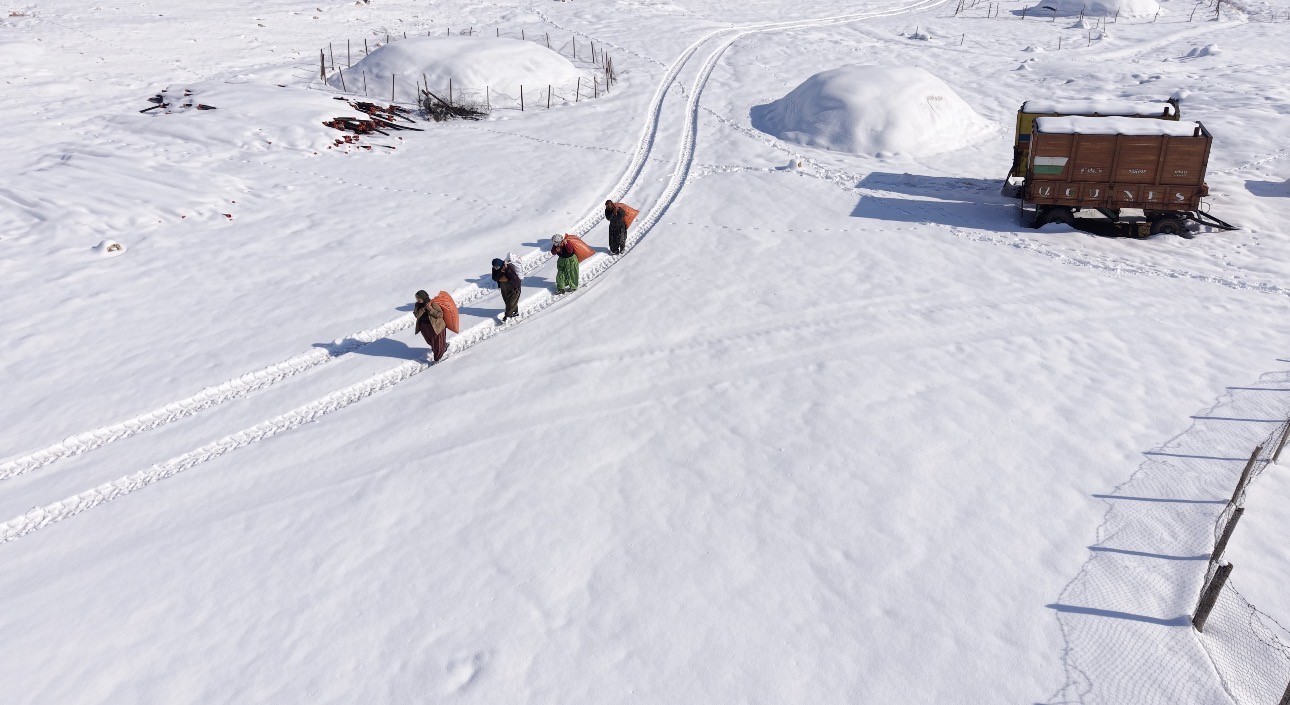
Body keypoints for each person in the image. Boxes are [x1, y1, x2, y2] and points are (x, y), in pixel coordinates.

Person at [413, 289, 447, 362]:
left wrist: (431, 309)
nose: (417, 300)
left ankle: (438, 359)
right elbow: (416, 315)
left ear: (423, 297)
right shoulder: (417, 305)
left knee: (437, 343)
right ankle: (443, 346)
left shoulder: (433, 303)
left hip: (436, 326)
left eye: (419, 298)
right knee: (430, 341)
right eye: (416, 298)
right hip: (424, 327)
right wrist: (423, 309)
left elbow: (440, 314)